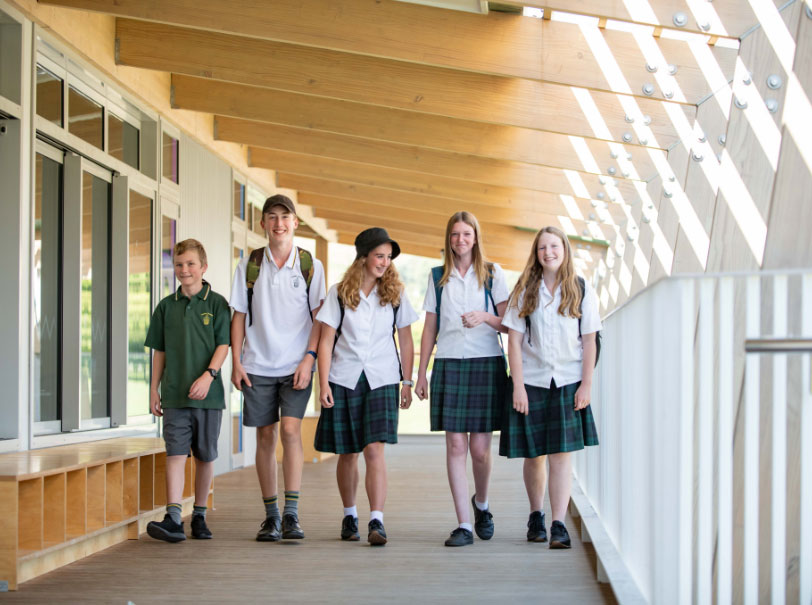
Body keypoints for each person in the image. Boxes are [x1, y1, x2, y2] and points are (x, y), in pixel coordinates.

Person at [230, 194, 326, 542]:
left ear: (295, 222)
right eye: (272, 217)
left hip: (296, 365)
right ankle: (270, 516)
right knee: (266, 436)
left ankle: (292, 514)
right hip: (257, 365)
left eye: (285, 217)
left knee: (289, 431)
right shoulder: (249, 265)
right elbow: (238, 315)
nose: (279, 223)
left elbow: (320, 320)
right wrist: (237, 362)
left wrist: (309, 358)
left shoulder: (309, 264)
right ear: (263, 224)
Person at [314, 227, 417, 546]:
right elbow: (326, 340)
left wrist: (407, 381)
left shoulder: (396, 293)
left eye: (388, 257)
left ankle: (377, 520)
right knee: (348, 453)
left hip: (383, 378)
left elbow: (406, 339)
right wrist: (323, 383)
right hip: (344, 378)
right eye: (379, 256)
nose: (384, 262)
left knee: (375, 450)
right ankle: (349, 515)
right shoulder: (339, 292)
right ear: (363, 257)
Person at [500, 225, 600, 548]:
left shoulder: (581, 288)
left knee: (560, 455)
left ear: (564, 249)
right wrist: (518, 387)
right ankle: (535, 515)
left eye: (554, 246)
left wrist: (586, 385)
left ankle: (558, 523)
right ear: (536, 253)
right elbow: (513, 342)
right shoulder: (524, 290)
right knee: (534, 455)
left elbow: (589, 341)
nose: (549, 253)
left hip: (568, 382)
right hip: (532, 381)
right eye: (543, 248)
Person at [415, 212, 509, 547]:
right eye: (454, 234)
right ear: (448, 239)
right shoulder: (438, 276)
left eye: (466, 234)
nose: (460, 240)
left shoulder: (493, 273)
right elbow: (429, 327)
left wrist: (485, 316)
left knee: (481, 450)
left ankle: (481, 504)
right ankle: (464, 525)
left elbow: (509, 323)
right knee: (456, 445)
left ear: (476, 237)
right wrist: (421, 372)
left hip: (486, 363)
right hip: (449, 363)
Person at [144, 238, 230, 542]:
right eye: (179, 264)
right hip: (175, 395)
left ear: (203, 267)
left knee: (205, 456)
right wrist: (154, 389)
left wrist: (209, 376)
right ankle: (174, 518)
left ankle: (200, 516)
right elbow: (160, 351)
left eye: (191, 264)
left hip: (209, 396)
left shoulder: (217, 303)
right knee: (175, 454)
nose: (184, 270)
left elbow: (224, 344)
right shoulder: (166, 307)